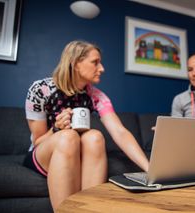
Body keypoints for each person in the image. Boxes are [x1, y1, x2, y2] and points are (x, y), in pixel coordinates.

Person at [23, 40, 149, 210]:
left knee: (95, 136)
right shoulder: (41, 90)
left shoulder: (96, 95)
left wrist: (150, 169)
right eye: (95, 62)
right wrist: (56, 129)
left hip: (78, 153)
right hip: (44, 153)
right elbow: (38, 141)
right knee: (68, 136)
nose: (102, 68)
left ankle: (89, 208)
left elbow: (120, 132)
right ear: (75, 63)